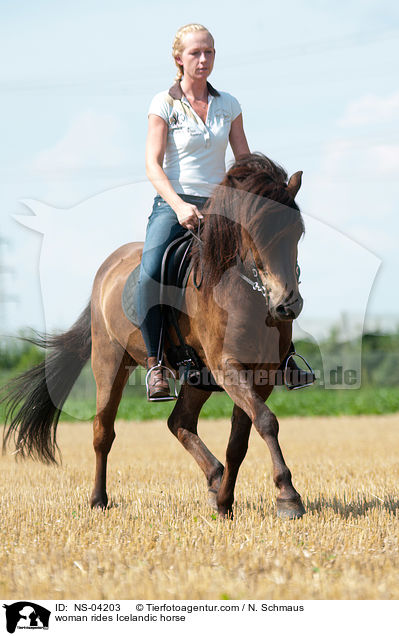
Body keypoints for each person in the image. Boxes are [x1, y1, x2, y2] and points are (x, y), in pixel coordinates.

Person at [138, 23, 314, 400]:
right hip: (175, 204)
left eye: (210, 53)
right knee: (151, 269)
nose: (203, 60)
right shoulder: (163, 104)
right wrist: (179, 205)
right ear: (178, 59)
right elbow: (153, 165)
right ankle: (156, 365)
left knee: (271, 260)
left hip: (223, 207)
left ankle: (285, 357)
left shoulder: (228, 104)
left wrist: (265, 197)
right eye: (195, 53)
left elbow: (244, 161)